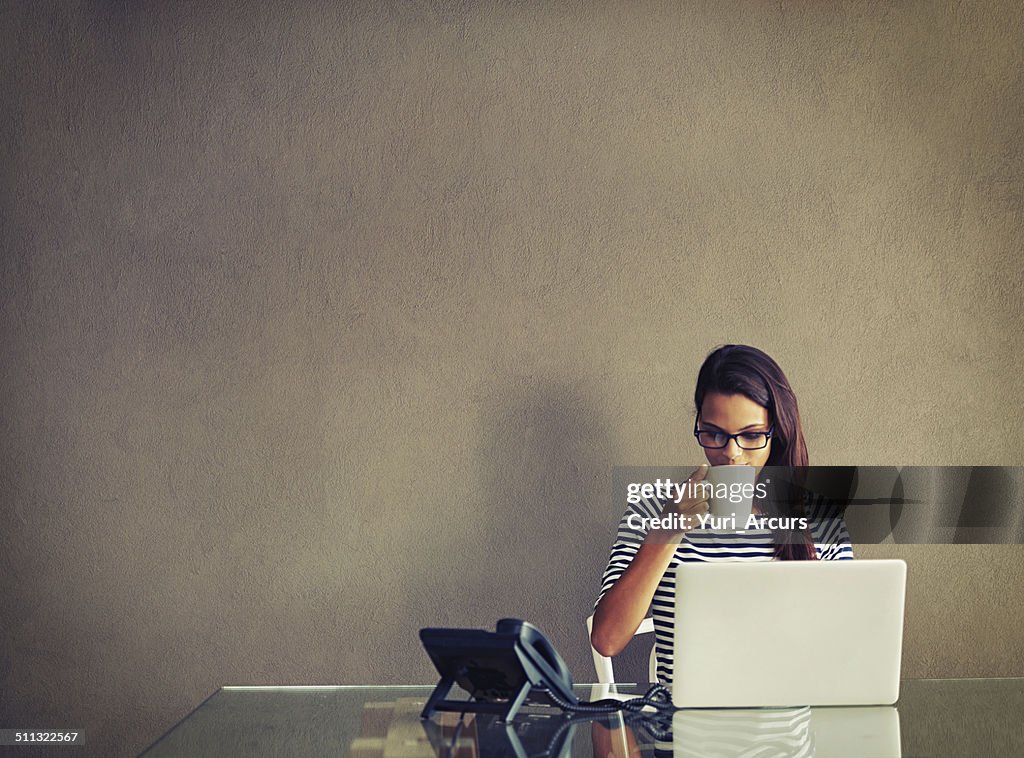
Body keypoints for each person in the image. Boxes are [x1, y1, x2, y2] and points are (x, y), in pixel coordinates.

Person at [590, 344, 853, 686]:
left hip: (786, 729)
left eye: (752, 435)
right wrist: (667, 531)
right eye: (714, 433)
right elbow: (608, 639)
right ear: (699, 422)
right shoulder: (653, 508)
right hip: (683, 730)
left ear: (778, 433)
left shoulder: (819, 517)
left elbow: (847, 649)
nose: (731, 453)